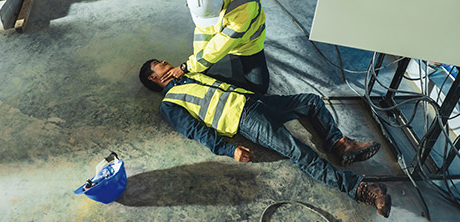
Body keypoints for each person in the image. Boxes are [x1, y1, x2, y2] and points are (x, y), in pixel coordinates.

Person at [139, 59, 392, 218]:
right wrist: (229, 150)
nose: (166, 62)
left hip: (255, 101)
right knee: (299, 152)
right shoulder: (169, 104)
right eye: (160, 63)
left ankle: (340, 144)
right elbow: (196, 130)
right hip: (244, 119)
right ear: (154, 77)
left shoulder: (189, 73)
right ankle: (361, 190)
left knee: (311, 102)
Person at [162, 0, 269, 94]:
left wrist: (187, 66)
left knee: (259, 89)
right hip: (227, 37)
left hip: (248, 43)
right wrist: (197, 63)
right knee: (202, 67)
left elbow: (222, 44)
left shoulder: (243, 5)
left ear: (222, 0)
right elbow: (203, 31)